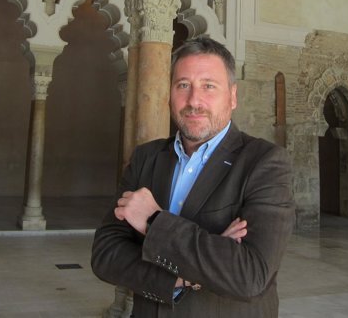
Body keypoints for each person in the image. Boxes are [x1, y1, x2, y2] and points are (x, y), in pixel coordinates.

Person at [91, 36, 294, 317]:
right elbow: (105, 255)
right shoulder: (146, 158)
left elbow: (249, 274)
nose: (194, 100)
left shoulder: (264, 162)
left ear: (232, 96)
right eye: (183, 85)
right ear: (170, 93)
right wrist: (186, 276)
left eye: (209, 86)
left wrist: (153, 221)